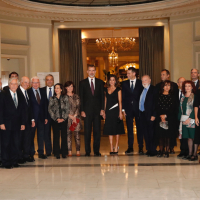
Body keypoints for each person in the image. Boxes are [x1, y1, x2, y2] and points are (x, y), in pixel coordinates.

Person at [0, 78, 26, 169]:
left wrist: (23, 123)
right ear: (9, 85)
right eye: (12, 84)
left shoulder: (20, 94)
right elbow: (1, 109)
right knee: (6, 143)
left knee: (16, 143)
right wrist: (1, 123)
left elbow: (23, 110)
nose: (14, 85)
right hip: (6, 124)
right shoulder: (3, 94)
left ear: (18, 85)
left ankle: (14, 161)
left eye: (15, 84)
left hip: (17, 124)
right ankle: (6, 162)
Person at [79, 65, 104, 157]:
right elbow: (81, 97)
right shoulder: (82, 83)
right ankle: (87, 151)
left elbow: (102, 97)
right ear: (87, 71)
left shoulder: (100, 82)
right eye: (90, 70)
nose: (92, 72)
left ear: (95, 71)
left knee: (97, 132)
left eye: (93, 70)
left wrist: (102, 109)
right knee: (87, 132)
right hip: (87, 111)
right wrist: (82, 110)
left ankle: (96, 151)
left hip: (98, 111)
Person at [155, 69, 179, 154]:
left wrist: (166, 115)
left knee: (170, 134)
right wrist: (161, 115)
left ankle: (169, 149)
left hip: (170, 116)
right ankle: (161, 150)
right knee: (161, 134)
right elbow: (156, 105)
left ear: (168, 75)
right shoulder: (158, 88)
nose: (162, 76)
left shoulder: (174, 87)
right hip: (160, 116)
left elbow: (174, 106)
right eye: (161, 75)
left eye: (164, 74)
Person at [122, 67, 143, 154]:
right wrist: (123, 109)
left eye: (129, 73)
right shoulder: (124, 83)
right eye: (127, 73)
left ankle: (141, 147)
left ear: (134, 73)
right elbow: (123, 97)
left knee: (140, 128)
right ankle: (130, 147)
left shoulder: (140, 83)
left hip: (139, 109)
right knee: (129, 129)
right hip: (128, 109)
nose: (127, 75)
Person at [103, 74, 125, 155]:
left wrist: (120, 112)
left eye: (113, 79)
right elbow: (105, 102)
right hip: (108, 112)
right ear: (108, 81)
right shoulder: (105, 90)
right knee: (110, 130)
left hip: (116, 111)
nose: (112, 81)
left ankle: (116, 146)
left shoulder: (118, 89)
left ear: (115, 81)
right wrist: (104, 111)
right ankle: (111, 147)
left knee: (117, 129)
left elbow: (120, 101)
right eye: (110, 80)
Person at [28, 76, 48, 160]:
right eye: (34, 82)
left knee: (41, 135)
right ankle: (31, 153)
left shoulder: (43, 91)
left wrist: (46, 117)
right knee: (31, 136)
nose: (36, 84)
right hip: (32, 118)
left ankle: (41, 152)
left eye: (37, 82)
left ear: (39, 83)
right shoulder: (28, 92)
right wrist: (31, 118)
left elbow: (45, 105)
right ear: (31, 83)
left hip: (41, 117)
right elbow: (28, 107)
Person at [48, 83, 69, 159]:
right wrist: (55, 118)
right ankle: (56, 152)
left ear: (61, 89)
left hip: (64, 120)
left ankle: (64, 152)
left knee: (64, 136)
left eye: (58, 88)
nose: (56, 89)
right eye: (55, 88)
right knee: (56, 136)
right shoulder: (52, 98)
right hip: (55, 120)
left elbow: (67, 109)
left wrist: (63, 118)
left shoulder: (65, 97)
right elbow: (50, 109)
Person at [17, 77, 35, 163]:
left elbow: (29, 108)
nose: (27, 84)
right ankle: (19, 157)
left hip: (28, 121)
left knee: (27, 139)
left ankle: (25, 155)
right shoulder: (17, 92)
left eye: (28, 83)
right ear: (21, 82)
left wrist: (32, 119)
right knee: (20, 139)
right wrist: (21, 122)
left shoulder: (27, 92)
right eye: (25, 82)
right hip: (20, 121)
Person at [139, 75, 157, 157]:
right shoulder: (142, 89)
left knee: (151, 133)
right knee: (145, 133)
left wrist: (154, 114)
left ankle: (153, 150)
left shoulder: (154, 89)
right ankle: (148, 149)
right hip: (142, 114)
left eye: (145, 80)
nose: (144, 82)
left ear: (149, 80)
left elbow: (156, 103)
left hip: (150, 115)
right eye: (142, 80)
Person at [178, 81, 196, 161]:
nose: (187, 88)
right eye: (186, 86)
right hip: (184, 120)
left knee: (193, 137)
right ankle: (189, 153)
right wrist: (180, 119)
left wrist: (190, 118)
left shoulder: (194, 96)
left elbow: (195, 108)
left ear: (192, 87)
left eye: (189, 86)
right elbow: (180, 109)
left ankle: (194, 154)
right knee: (188, 137)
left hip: (192, 119)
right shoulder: (183, 97)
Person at [65, 81, 81, 157]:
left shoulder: (76, 96)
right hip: (67, 118)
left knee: (77, 135)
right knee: (68, 135)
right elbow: (63, 108)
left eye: (71, 86)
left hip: (76, 118)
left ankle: (78, 150)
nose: (70, 88)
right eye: (68, 87)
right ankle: (69, 151)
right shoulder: (63, 97)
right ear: (65, 88)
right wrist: (70, 116)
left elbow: (78, 107)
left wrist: (74, 116)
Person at [41, 74, 54, 156]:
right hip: (46, 116)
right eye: (47, 79)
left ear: (53, 80)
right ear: (45, 81)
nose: (49, 81)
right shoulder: (41, 90)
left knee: (56, 134)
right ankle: (48, 151)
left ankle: (56, 151)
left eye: (51, 79)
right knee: (47, 134)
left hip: (56, 116)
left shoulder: (58, 89)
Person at [176, 77, 189, 158]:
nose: (183, 83)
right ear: (178, 84)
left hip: (187, 117)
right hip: (177, 117)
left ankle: (187, 151)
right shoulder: (174, 92)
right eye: (181, 82)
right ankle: (182, 150)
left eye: (184, 82)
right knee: (180, 134)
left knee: (187, 135)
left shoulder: (189, 93)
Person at [193, 88, 200, 161]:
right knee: (197, 135)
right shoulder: (198, 91)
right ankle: (195, 154)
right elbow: (196, 106)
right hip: (199, 116)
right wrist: (196, 117)